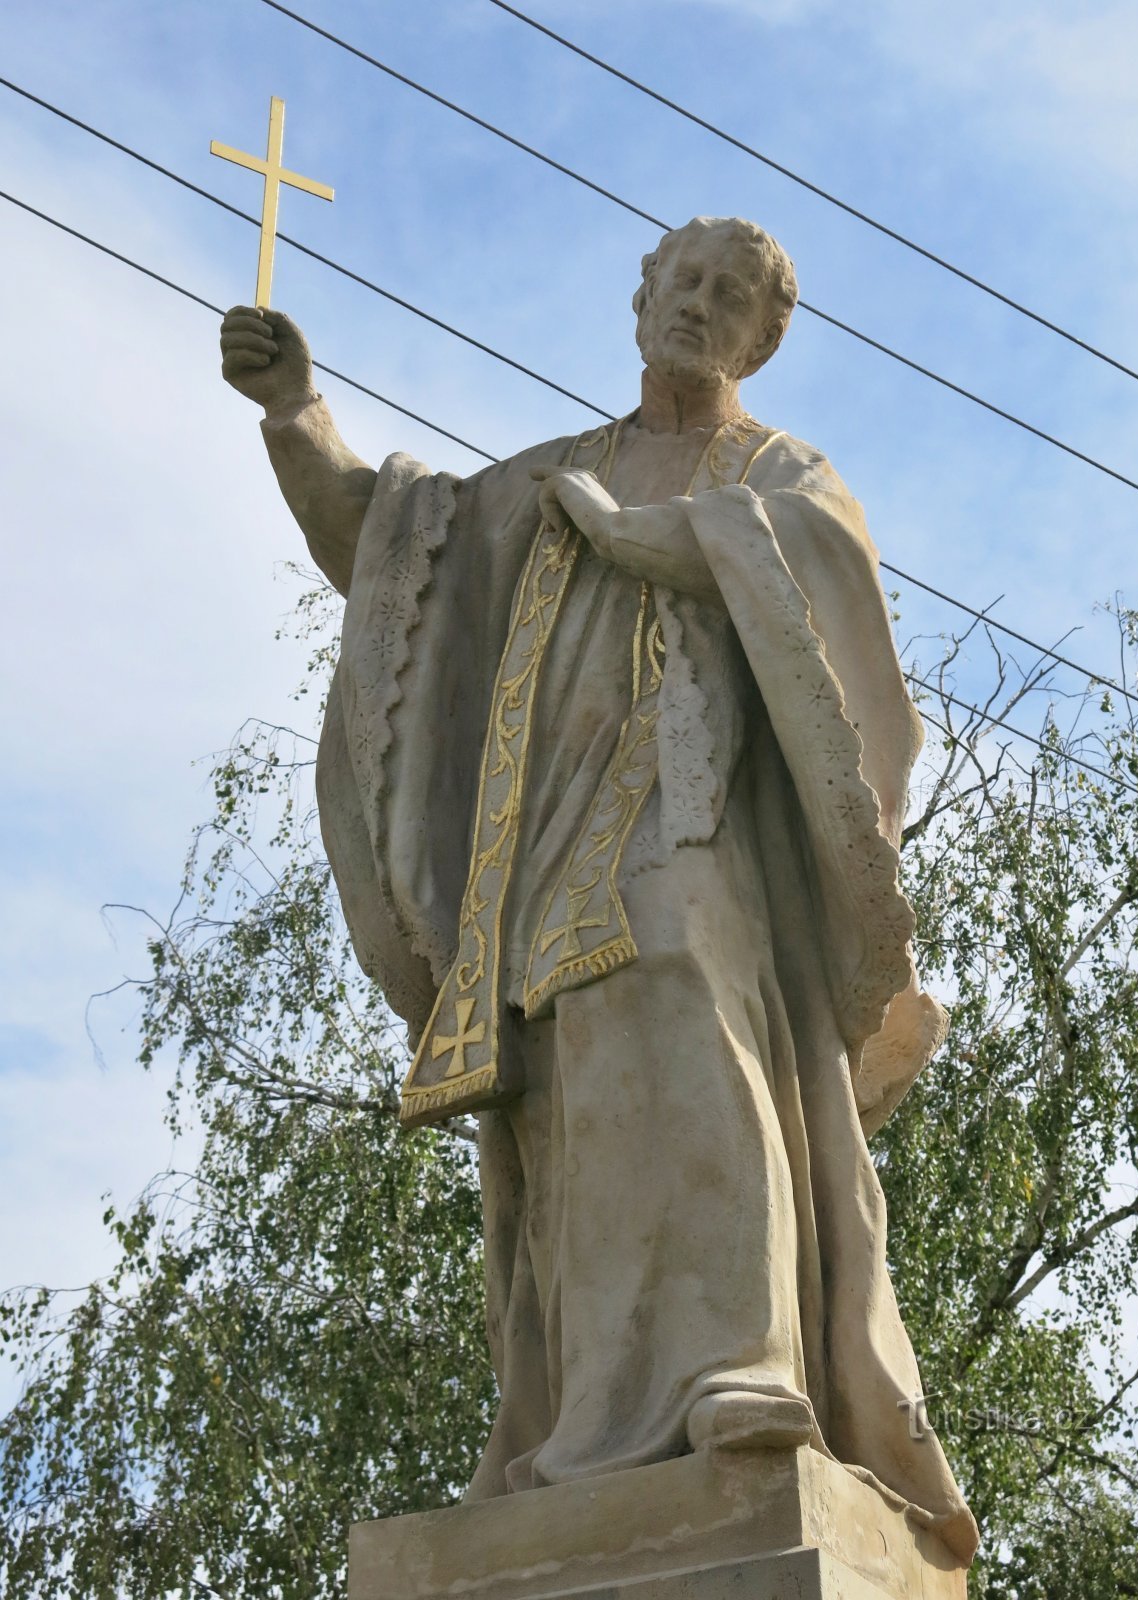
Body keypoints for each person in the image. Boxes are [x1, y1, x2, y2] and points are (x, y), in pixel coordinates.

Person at [219, 215, 977, 1561]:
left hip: (697, 817)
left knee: (692, 1003)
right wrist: (297, 415)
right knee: (579, 1096)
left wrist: (675, 539)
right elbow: (397, 555)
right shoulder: (552, 482)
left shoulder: (776, 470)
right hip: (553, 842)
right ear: (640, 306)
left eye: (727, 296)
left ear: (759, 337)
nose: (696, 306)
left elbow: (823, 585)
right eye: (679, 283)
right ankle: (586, 1422)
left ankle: (741, 1364)